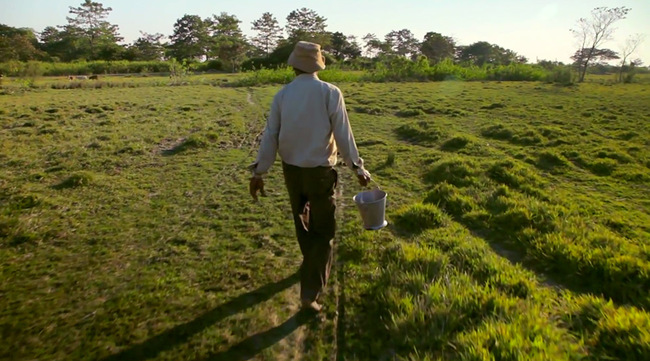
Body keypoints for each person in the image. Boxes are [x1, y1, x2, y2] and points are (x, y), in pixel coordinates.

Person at [248, 41, 371, 312]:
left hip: (291, 171)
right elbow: (343, 134)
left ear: (293, 65)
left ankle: (310, 267)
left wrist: (259, 172)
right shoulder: (330, 92)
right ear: (318, 64)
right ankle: (310, 293)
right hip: (319, 172)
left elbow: (270, 136)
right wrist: (357, 167)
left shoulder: (282, 95)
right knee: (324, 231)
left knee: (302, 221)